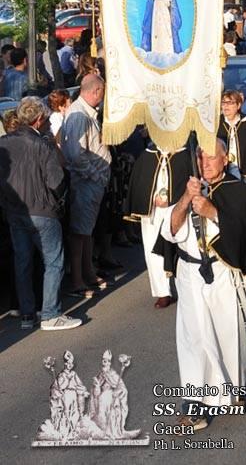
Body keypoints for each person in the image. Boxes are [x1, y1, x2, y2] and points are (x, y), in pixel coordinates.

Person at [160, 139, 246, 429]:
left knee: (227, 334)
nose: (206, 162)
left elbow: (245, 232)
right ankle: (194, 402)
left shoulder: (236, 190)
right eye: (201, 156)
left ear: (226, 159)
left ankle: (232, 387)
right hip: (189, 272)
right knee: (192, 337)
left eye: (212, 157)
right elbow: (171, 230)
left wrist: (212, 211)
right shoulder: (189, 187)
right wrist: (188, 199)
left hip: (224, 273)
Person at [0, 97, 82, 331]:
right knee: (53, 262)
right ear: (38, 120)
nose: (46, 123)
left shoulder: (4, 143)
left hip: (17, 210)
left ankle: (28, 314)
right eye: (45, 119)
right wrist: (57, 202)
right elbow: (56, 182)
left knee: (23, 261)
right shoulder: (42, 145)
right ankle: (50, 313)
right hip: (42, 210)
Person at [61, 74, 112, 297]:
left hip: (92, 182)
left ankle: (88, 272)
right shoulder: (79, 115)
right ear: (96, 91)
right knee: (79, 233)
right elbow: (74, 153)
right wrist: (94, 175)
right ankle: (78, 279)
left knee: (87, 231)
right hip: (85, 182)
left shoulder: (85, 113)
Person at [125, 142, 193, 309]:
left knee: (182, 247)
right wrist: (149, 198)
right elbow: (140, 181)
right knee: (151, 249)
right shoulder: (148, 154)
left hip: (176, 208)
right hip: (152, 211)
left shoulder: (185, 155)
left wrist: (173, 200)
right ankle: (162, 292)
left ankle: (185, 287)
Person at [89, 350, 140, 439]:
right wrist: (96, 387)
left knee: (112, 414)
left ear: (109, 363)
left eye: (107, 361)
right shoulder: (99, 375)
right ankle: (103, 432)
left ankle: (113, 432)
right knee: (101, 413)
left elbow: (122, 388)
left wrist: (117, 393)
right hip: (101, 399)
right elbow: (95, 392)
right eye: (103, 360)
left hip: (111, 398)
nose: (105, 362)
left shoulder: (113, 374)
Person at [49, 350, 89, 439]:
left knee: (76, 413)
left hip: (73, 395)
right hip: (66, 395)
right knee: (67, 413)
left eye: (71, 363)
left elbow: (79, 384)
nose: (70, 365)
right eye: (68, 363)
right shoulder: (62, 375)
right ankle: (66, 432)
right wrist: (67, 380)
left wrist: (83, 391)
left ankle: (73, 430)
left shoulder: (74, 374)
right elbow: (59, 386)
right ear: (65, 364)